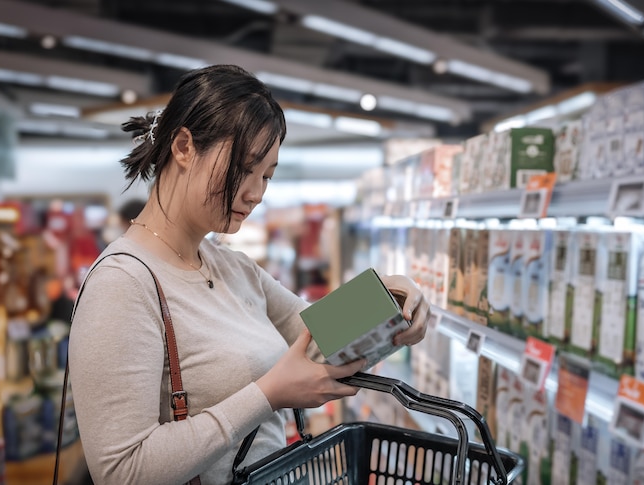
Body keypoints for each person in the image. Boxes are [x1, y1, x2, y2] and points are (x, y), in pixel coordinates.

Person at [67, 64, 430, 485]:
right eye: (245, 168)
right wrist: (268, 394)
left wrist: (393, 298)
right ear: (184, 147)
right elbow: (121, 472)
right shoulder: (123, 284)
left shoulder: (231, 265)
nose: (256, 193)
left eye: (267, 176)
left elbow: (321, 333)